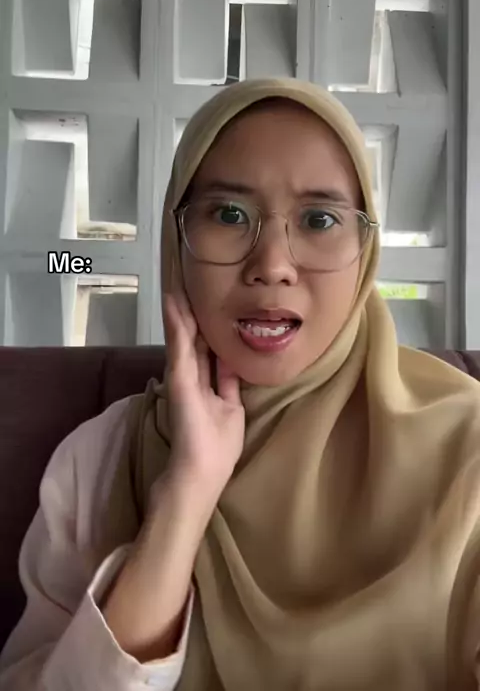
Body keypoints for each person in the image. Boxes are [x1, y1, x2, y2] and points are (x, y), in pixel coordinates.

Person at [1, 77, 480, 691]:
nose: (273, 266)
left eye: (319, 219)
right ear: (176, 240)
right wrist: (185, 491)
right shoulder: (99, 462)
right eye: (228, 214)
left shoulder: (466, 448)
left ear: (366, 250)